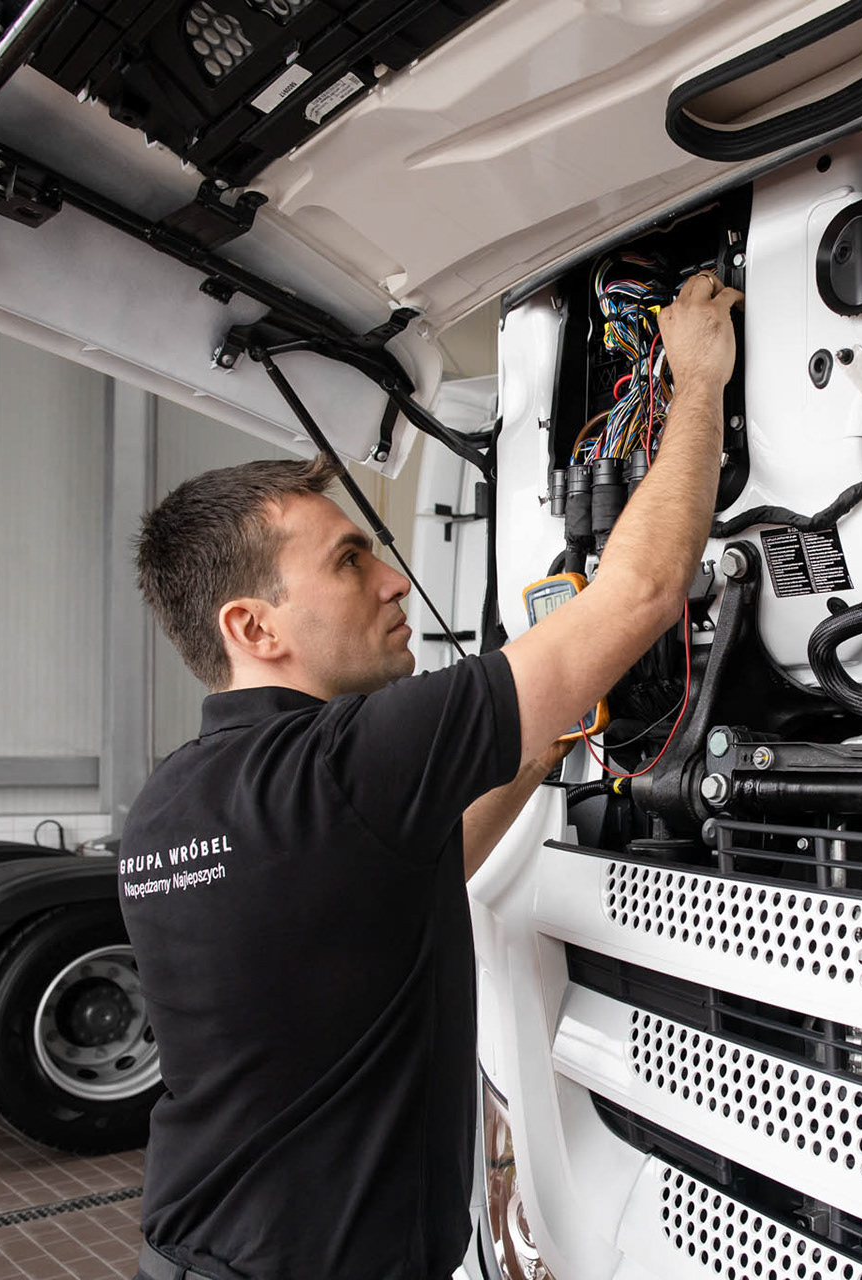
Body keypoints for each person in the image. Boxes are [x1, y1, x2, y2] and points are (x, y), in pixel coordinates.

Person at [119, 270, 742, 1280]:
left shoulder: (171, 801)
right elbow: (642, 591)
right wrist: (701, 379)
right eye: (349, 561)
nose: (393, 581)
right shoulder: (344, 762)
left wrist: (535, 752)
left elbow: (402, 875)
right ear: (253, 627)